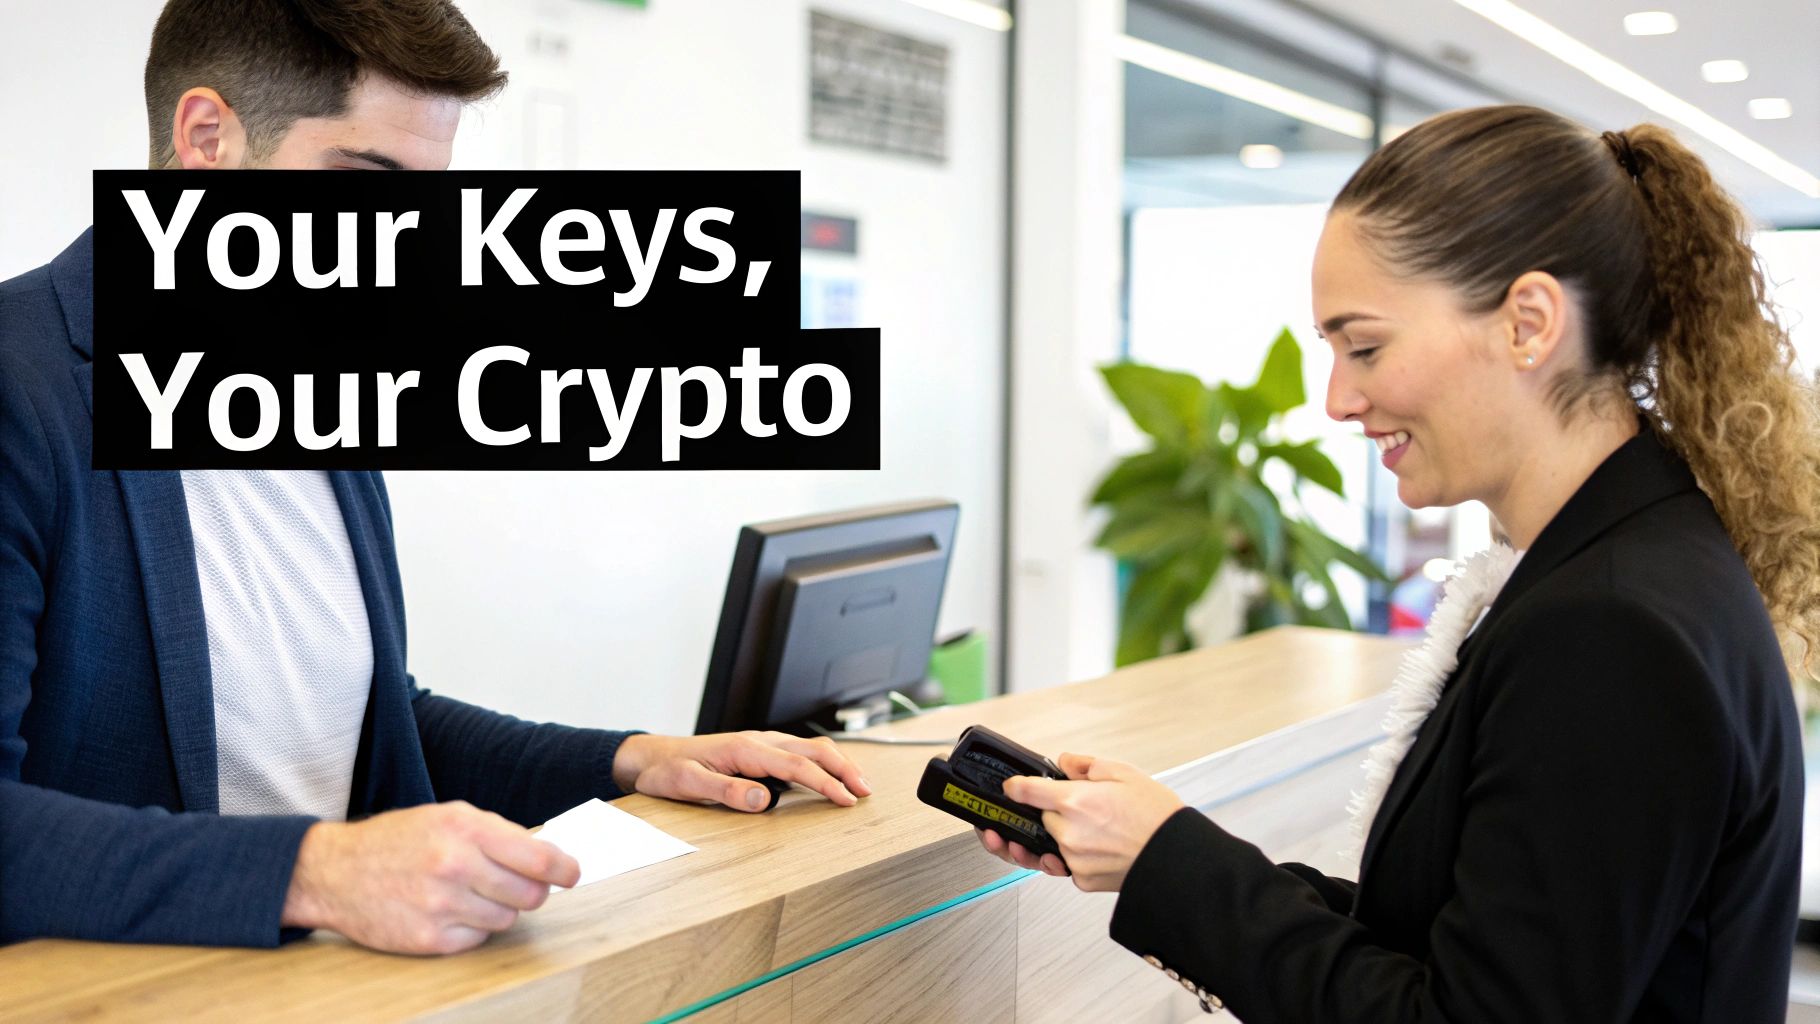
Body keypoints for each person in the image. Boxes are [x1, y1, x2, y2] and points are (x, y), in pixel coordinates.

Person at [0, 0, 870, 957]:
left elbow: (373, 723)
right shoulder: (23, 384)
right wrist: (321, 873)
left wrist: (631, 760)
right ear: (207, 138)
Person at [976, 104, 1820, 1021]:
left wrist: (1170, 864)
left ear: (1529, 322)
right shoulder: (1631, 557)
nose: (1339, 399)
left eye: (1366, 346)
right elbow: (1471, 937)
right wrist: (1162, 854)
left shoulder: (1607, 629)